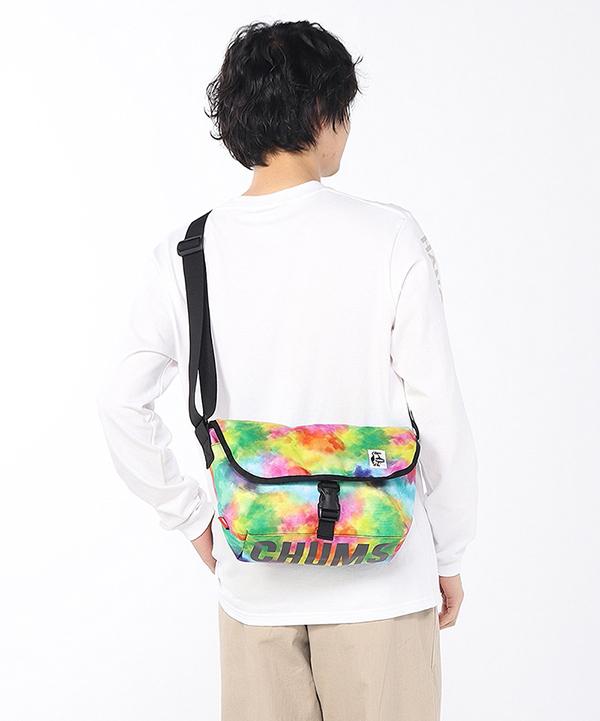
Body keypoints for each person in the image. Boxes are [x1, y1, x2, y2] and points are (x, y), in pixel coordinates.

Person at [97, 20, 477, 721]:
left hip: (255, 580)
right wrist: (447, 553)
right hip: (384, 575)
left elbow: (121, 402)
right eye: (345, 111)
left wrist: (192, 519)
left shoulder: (187, 253)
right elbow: (439, 414)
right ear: (321, 111)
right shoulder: (391, 236)